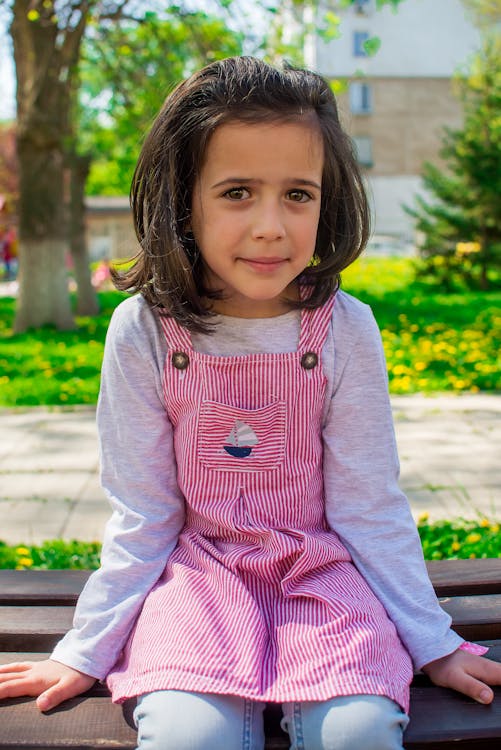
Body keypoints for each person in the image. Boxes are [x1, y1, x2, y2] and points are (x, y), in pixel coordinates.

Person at [0, 57, 499, 750]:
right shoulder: (143, 331)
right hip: (197, 583)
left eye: (298, 194)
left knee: (357, 731)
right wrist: (83, 649)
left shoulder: (344, 329)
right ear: (182, 199)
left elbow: (367, 503)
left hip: (325, 584)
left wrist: (431, 641)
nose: (271, 225)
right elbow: (144, 513)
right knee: (187, 735)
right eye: (237, 192)